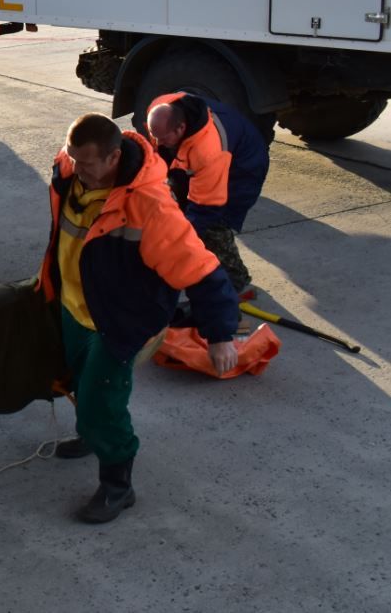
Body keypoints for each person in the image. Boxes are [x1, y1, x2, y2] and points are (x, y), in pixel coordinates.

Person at [37, 113, 238, 523]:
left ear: (113, 158)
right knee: (77, 380)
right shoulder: (70, 169)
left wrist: (220, 335)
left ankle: (118, 485)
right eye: (73, 159)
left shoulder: (149, 206)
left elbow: (199, 268)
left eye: (88, 164)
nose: (78, 170)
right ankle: (89, 434)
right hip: (75, 306)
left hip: (119, 321)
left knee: (102, 403)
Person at [146, 92, 270, 295]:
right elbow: (155, 154)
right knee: (177, 208)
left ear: (181, 128)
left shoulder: (209, 151)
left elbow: (205, 208)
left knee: (214, 226)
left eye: (163, 138)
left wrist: (176, 238)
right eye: (155, 136)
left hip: (243, 167)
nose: (158, 143)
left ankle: (237, 284)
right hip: (205, 154)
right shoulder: (159, 108)